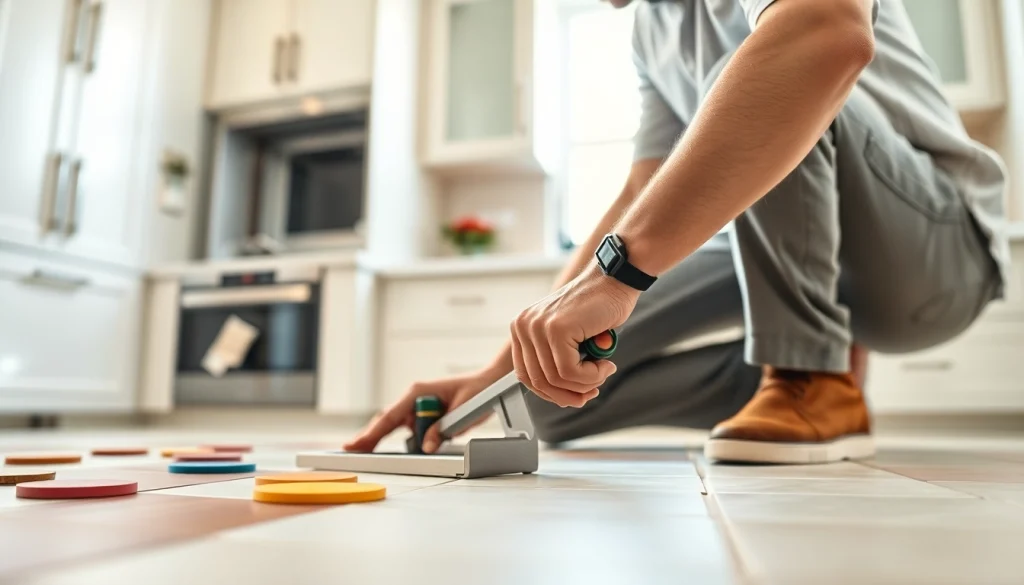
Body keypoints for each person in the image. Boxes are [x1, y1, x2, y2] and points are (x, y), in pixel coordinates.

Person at [346, 0, 1008, 464]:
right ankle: (811, 374)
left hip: (935, 258)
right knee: (553, 392)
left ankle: (810, 374)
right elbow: (641, 190)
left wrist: (617, 275)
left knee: (772, 72)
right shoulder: (652, 28)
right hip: (817, 257)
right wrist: (499, 370)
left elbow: (828, 33)